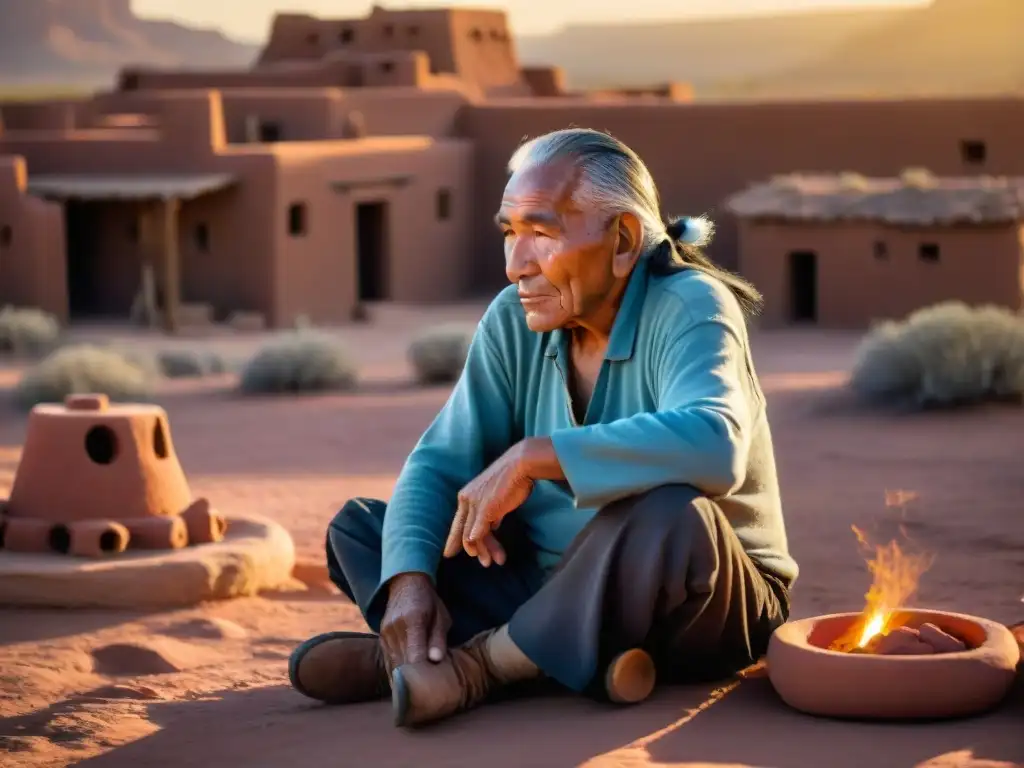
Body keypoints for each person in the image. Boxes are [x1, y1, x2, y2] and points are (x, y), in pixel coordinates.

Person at [288, 128, 798, 728]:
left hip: (700, 605)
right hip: (545, 587)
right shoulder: (516, 318)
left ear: (624, 240)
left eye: (541, 233)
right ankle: (529, 654)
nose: (514, 266)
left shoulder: (691, 305)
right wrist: (409, 586)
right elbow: (438, 463)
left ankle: (474, 667)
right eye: (510, 232)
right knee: (369, 531)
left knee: (673, 514)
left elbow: (717, 448)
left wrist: (533, 456)